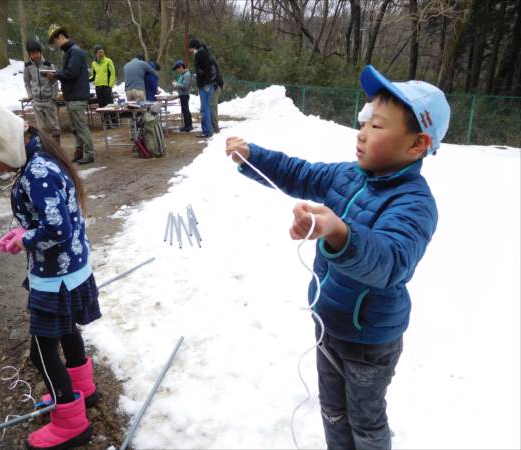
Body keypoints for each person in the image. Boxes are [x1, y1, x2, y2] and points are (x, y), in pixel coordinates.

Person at [225, 65, 450, 450]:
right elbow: (301, 173)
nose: (362, 133)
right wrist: (253, 157)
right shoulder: (349, 175)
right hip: (328, 325)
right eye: (364, 121)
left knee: (365, 422)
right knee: (332, 410)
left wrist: (340, 233)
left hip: (369, 342)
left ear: (416, 145)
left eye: (377, 126)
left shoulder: (414, 203)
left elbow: (391, 261)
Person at [0, 101, 100, 450]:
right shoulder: (39, 160)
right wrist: (21, 234)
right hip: (71, 269)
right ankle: (84, 391)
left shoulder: (38, 172)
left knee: (41, 353)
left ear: (2, 145)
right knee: (67, 333)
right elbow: (50, 220)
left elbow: (56, 228)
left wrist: (25, 239)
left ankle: (70, 421)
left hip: (55, 278)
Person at [46, 24, 95, 165]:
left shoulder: (75, 52)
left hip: (77, 96)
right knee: (75, 127)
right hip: (72, 96)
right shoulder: (69, 52)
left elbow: (71, 73)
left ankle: (89, 153)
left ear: (61, 37)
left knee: (81, 126)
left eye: (55, 41)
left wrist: (55, 74)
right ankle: (80, 152)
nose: (55, 44)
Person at [24, 40, 61, 144]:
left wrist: (54, 97)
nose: (34, 55)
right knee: (42, 128)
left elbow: (55, 82)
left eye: (36, 53)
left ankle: (58, 149)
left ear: (40, 52)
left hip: (49, 100)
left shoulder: (48, 65)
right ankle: (46, 149)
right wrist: (30, 96)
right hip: (36, 101)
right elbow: (27, 82)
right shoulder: (28, 67)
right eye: (32, 53)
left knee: (55, 127)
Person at [188, 39, 214, 138]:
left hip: (205, 85)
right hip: (204, 84)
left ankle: (207, 131)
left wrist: (207, 83)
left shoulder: (201, 54)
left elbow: (207, 69)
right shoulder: (203, 53)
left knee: (205, 109)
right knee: (206, 108)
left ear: (194, 47)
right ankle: (208, 130)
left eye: (190, 49)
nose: (190, 51)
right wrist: (197, 75)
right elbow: (202, 70)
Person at [90, 45, 117, 127]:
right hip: (98, 87)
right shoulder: (94, 63)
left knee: (110, 105)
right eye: (99, 52)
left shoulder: (108, 61)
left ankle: (115, 123)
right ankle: (106, 124)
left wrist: (110, 85)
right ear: (96, 53)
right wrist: (86, 79)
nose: (101, 53)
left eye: (102, 51)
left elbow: (112, 74)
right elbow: (93, 76)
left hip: (107, 87)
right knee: (101, 105)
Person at [172, 59, 192, 132]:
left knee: (185, 110)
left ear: (180, 67)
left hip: (185, 94)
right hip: (183, 94)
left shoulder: (187, 74)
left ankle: (188, 126)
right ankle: (188, 125)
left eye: (177, 68)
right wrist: (177, 84)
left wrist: (176, 85)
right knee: (185, 110)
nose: (177, 70)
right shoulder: (183, 74)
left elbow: (185, 86)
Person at [209, 55, 223, 134]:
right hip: (216, 86)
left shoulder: (210, 63)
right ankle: (214, 126)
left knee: (212, 107)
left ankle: (215, 128)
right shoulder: (211, 61)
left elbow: (212, 76)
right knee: (213, 107)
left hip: (215, 87)